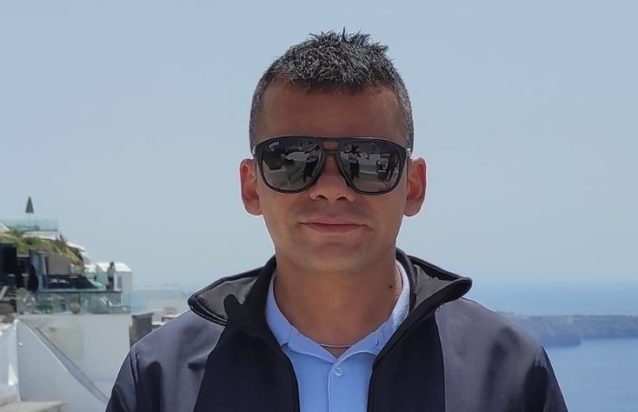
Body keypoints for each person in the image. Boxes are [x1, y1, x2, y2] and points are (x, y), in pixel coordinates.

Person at [107, 31, 567, 412]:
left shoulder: (508, 375)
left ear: (413, 186)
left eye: (368, 160)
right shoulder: (160, 380)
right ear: (251, 186)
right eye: (292, 159)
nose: (331, 187)